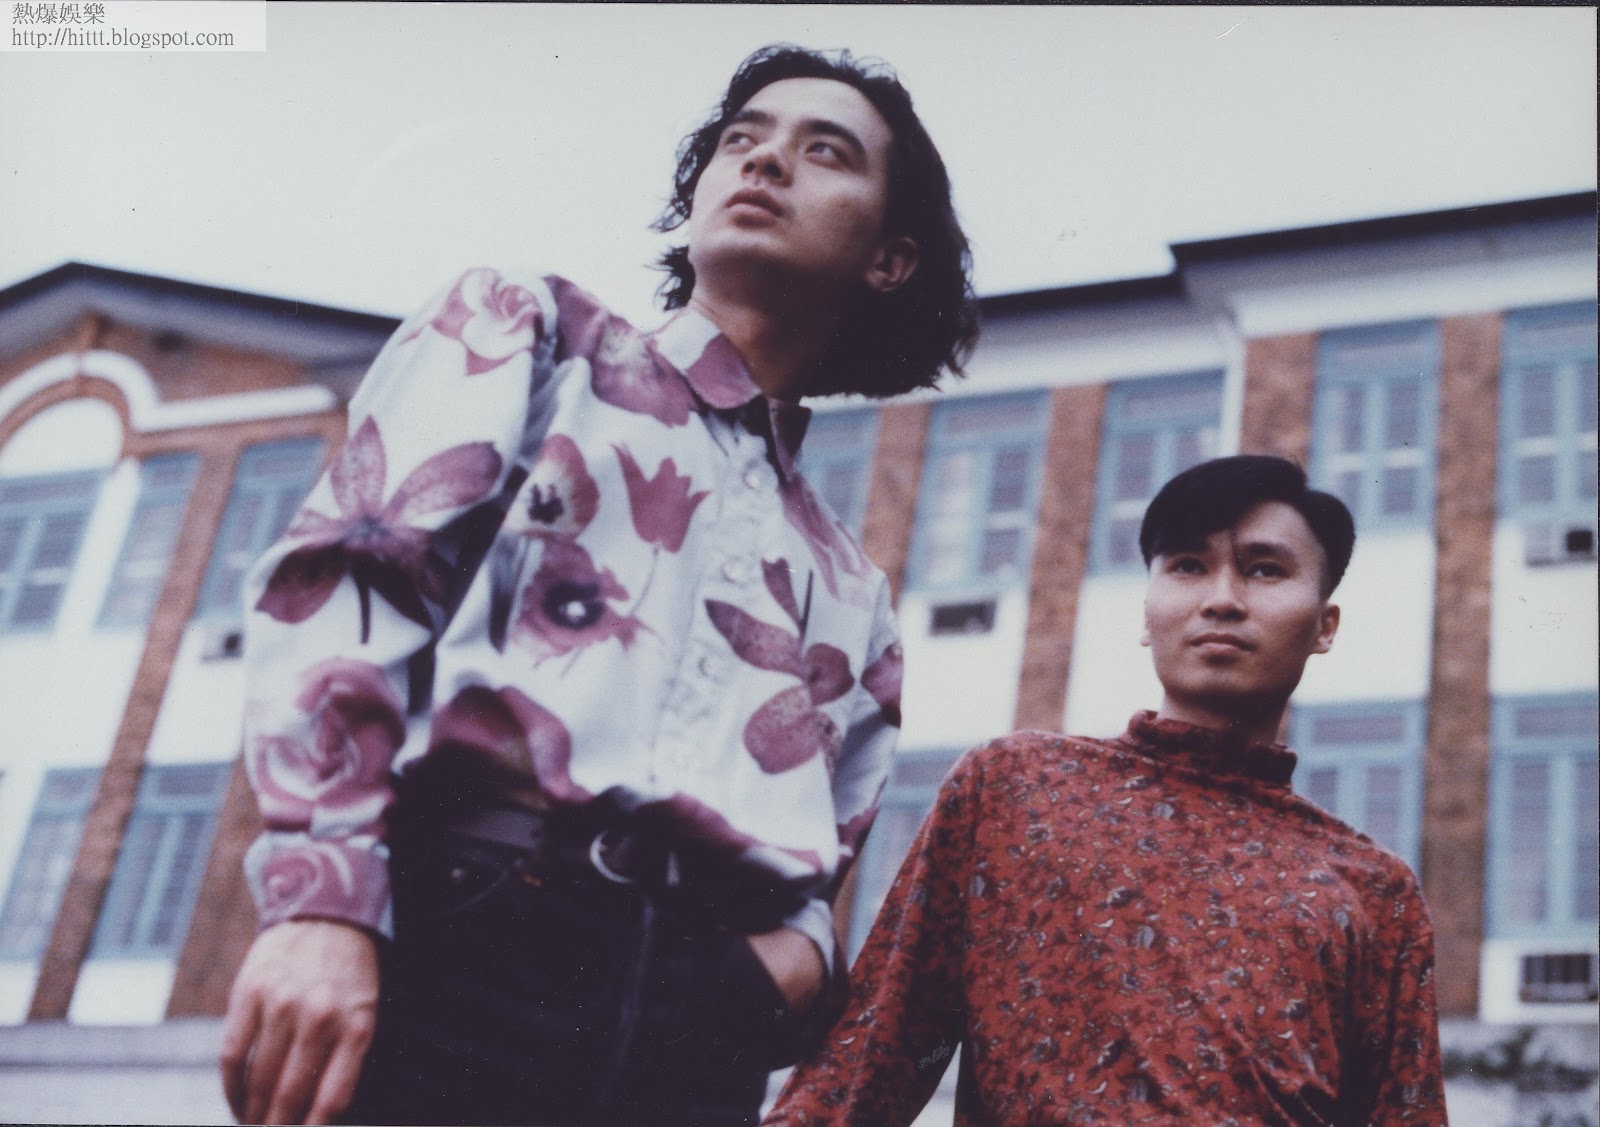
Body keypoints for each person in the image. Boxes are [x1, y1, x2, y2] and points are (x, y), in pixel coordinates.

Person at [218, 44, 977, 1127]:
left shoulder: (851, 587)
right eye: (741, 138)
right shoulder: (530, 334)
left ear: (891, 259)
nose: (764, 161)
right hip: (456, 939)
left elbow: (825, 856)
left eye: (825, 152)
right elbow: (351, 581)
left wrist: (781, 974)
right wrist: (321, 900)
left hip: (696, 1024)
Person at [766, 455, 1449, 1126]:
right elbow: (865, 1064)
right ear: (1146, 614)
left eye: (1265, 569)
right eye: (1188, 565)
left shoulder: (1371, 890)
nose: (1222, 599)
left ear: (1324, 627)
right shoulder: (1014, 791)